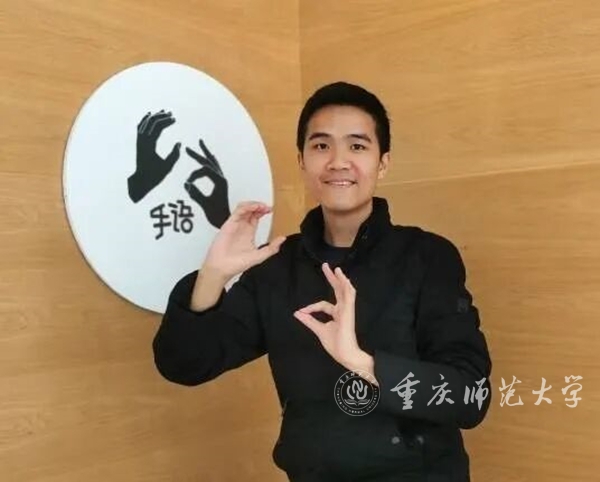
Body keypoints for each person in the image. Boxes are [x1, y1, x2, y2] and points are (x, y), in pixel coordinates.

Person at [152, 82, 492, 481]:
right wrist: (214, 274)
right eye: (321, 146)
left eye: (357, 146)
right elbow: (184, 365)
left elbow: (470, 397)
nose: (338, 161)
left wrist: (362, 363)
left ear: (383, 163)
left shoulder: (428, 257)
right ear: (302, 160)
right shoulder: (277, 267)